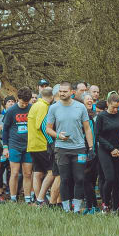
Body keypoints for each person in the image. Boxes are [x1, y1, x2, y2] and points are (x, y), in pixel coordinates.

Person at [43, 82, 94, 212]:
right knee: (64, 179)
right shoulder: (54, 108)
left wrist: (91, 147)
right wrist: (58, 135)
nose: (62, 93)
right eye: (60, 91)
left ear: (72, 92)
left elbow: (87, 129)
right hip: (61, 148)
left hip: (79, 148)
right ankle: (66, 208)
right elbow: (48, 129)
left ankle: (76, 208)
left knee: (79, 178)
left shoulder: (80, 107)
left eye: (65, 91)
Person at [95, 91, 119, 213]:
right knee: (109, 178)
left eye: (117, 107)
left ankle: (117, 205)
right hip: (105, 150)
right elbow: (97, 136)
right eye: (113, 107)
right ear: (108, 104)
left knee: (117, 179)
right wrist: (111, 148)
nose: (115, 110)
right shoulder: (101, 116)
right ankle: (105, 203)